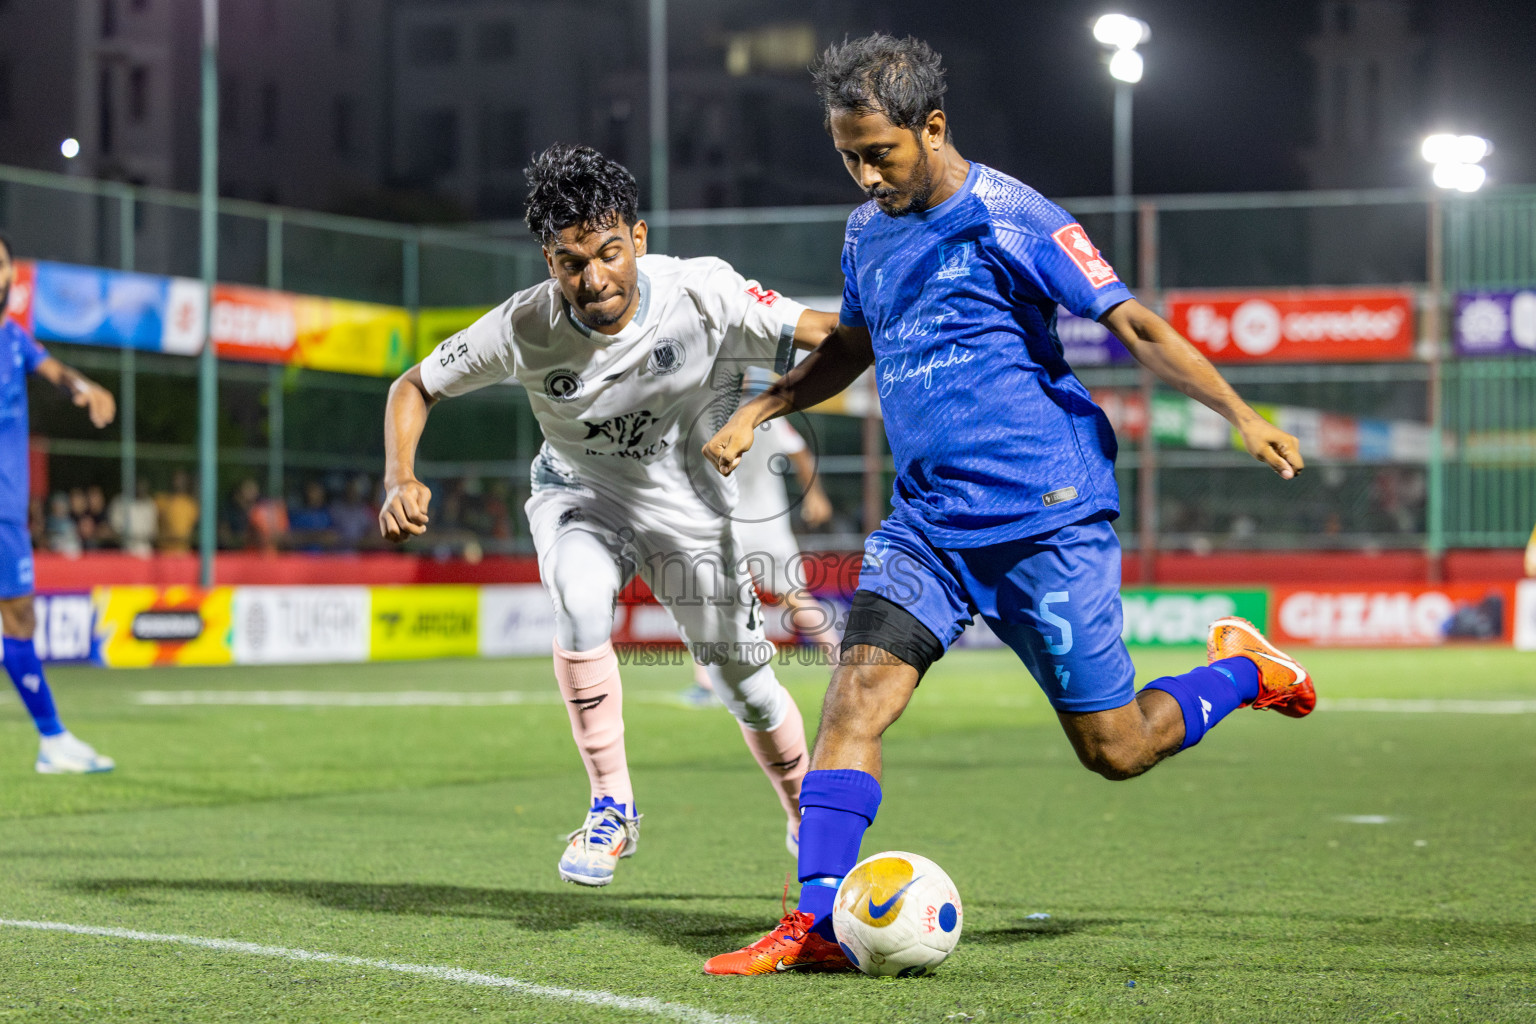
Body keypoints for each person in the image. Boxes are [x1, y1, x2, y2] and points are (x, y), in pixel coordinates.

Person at [699, 34, 1315, 974]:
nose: (865, 175)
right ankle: (816, 924)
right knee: (853, 700)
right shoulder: (868, 232)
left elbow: (1136, 324)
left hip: (1049, 518)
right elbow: (854, 347)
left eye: (881, 153)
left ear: (932, 127)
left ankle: (1243, 674)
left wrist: (1240, 413)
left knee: (1115, 749)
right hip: (928, 527)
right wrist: (767, 403)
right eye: (849, 156)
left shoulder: (1013, 216)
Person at [379, 144, 840, 887]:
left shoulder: (704, 293)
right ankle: (611, 807)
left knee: (747, 685)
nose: (594, 280)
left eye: (609, 253)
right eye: (570, 262)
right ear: (547, 259)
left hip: (686, 509)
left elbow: (827, 334)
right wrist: (400, 477)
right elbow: (414, 386)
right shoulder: (524, 325)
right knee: (581, 594)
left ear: (640, 239)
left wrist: (766, 406)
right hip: (580, 496)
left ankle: (805, 818)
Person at [0, 232, 116, 773]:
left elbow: (55, 374)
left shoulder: (14, 338)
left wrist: (84, 387)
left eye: (0, 264)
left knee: (20, 616)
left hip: (7, 515)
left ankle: (52, 740)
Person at [681, 394, 834, 707]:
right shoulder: (765, 415)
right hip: (769, 525)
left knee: (707, 601)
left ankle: (705, 683)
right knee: (796, 597)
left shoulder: (704, 415)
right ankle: (843, 663)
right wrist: (815, 496)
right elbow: (799, 451)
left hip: (725, 524)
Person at [108, 479, 158, 558]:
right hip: (125, 550)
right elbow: (115, 526)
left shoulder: (150, 504)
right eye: (138, 486)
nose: (141, 489)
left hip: (145, 552)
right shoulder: (120, 502)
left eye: (143, 487)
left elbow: (152, 530)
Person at [154, 469, 200, 554]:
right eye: (176, 479)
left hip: (183, 553)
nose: (178, 482)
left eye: (181, 480)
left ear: (187, 482)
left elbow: (195, 525)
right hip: (163, 552)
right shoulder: (161, 500)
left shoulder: (191, 504)